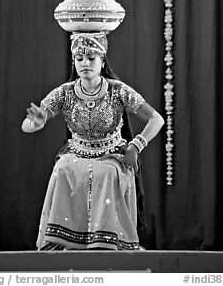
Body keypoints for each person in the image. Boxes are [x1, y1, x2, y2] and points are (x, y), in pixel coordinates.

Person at [21, 32, 164, 251]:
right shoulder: (65, 93)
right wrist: (37, 122)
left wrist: (136, 145)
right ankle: (64, 242)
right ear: (73, 62)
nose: (85, 63)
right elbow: (26, 125)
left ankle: (106, 244)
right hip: (77, 153)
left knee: (105, 173)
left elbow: (157, 119)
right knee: (63, 168)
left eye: (91, 58)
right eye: (79, 59)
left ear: (102, 60)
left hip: (112, 156)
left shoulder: (118, 90)